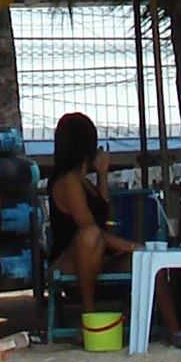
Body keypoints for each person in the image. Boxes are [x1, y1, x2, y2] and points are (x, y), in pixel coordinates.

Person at [46, 111, 140, 333]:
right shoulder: (68, 180)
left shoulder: (83, 180)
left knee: (146, 262)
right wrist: (132, 246)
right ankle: (89, 313)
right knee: (91, 235)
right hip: (71, 257)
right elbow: (91, 230)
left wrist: (103, 175)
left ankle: (173, 328)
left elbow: (101, 214)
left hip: (97, 253)